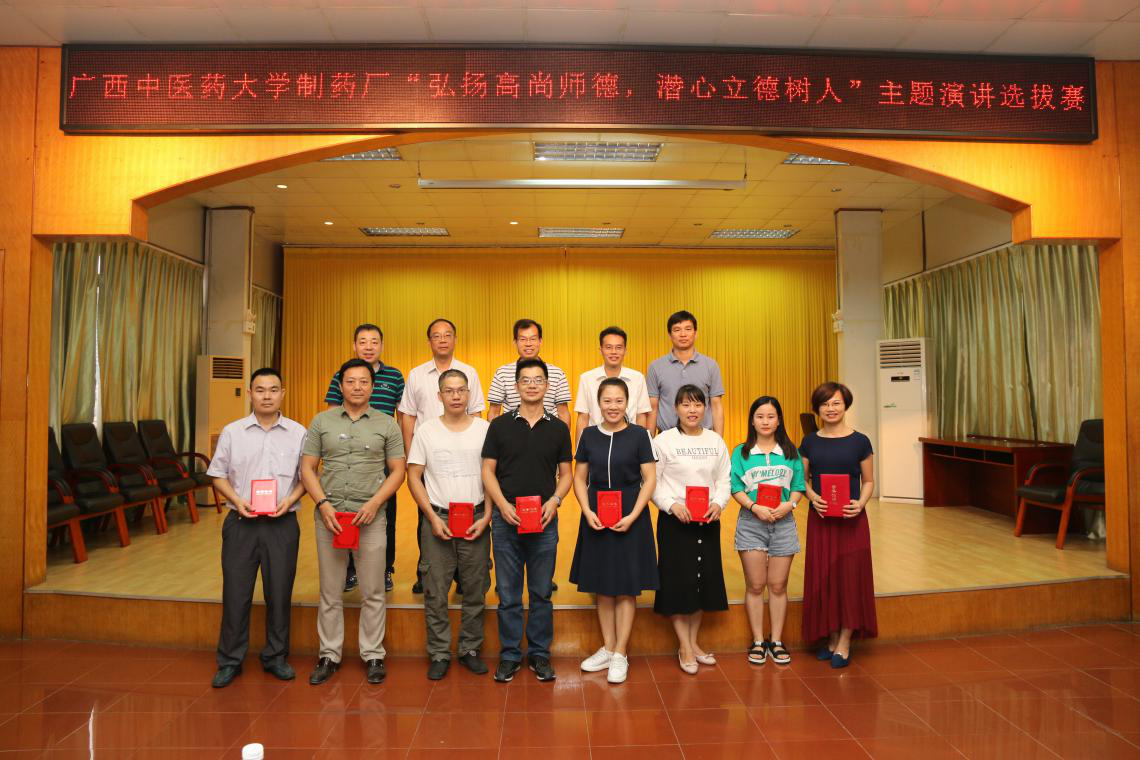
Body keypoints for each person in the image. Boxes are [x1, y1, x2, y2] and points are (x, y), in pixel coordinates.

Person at [301, 359, 406, 686]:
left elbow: (398, 470)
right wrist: (323, 504)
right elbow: (307, 468)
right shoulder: (321, 421)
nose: (357, 387)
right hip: (330, 517)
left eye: (363, 381)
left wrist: (375, 503)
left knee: (373, 590)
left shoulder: (387, 424)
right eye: (350, 381)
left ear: (373, 387)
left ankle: (373, 654)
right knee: (330, 590)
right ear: (340, 386)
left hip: (370, 518)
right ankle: (328, 655)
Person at [207, 368, 308, 689]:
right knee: (236, 594)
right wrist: (237, 500)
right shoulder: (232, 432)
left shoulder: (299, 433)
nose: (267, 396)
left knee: (279, 592)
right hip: (241, 523)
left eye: (273, 389)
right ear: (250, 393)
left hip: (282, 524)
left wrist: (290, 499)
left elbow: (307, 477)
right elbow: (217, 474)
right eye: (260, 390)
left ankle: (275, 656)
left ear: (283, 393)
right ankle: (230, 660)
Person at [481, 358, 572, 683]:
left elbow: (566, 474)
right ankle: (509, 656)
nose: (532, 385)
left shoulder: (559, 428)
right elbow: (487, 471)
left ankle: (539, 654)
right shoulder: (499, 426)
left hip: (544, 522)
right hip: (506, 520)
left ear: (547, 386)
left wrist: (555, 501)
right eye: (526, 380)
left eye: (538, 380)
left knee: (541, 593)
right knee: (508, 594)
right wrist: (502, 505)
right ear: (516, 386)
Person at [406, 369, 492, 680]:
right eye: (449, 391)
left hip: (476, 518)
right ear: (439, 395)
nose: (456, 396)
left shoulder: (485, 429)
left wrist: (487, 516)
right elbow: (413, 476)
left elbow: (492, 476)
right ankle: (439, 652)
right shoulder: (426, 431)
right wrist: (430, 516)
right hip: (438, 519)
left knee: (475, 588)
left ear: (469, 394)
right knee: (435, 591)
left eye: (461, 390)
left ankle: (470, 649)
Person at [570, 377, 657, 684]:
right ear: (598, 403)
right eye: (607, 401)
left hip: (631, 513)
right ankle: (607, 648)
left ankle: (621, 652)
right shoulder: (588, 435)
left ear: (627, 403)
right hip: (596, 513)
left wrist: (633, 515)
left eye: (619, 400)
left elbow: (650, 479)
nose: (613, 406)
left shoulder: (639, 435)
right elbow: (579, 477)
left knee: (626, 585)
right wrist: (586, 510)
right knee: (603, 584)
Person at [398, 317, 486, 595]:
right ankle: (426, 572)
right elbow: (408, 416)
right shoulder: (416, 375)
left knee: (468, 510)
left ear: (455, 339)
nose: (443, 340)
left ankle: (463, 575)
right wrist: (412, 455)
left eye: (447, 335)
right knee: (429, 515)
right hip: (429, 455)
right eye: (437, 336)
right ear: (430, 342)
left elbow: (476, 413)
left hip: (465, 454)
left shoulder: (469, 372)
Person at [651, 385, 731, 675]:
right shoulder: (663, 441)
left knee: (701, 582)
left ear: (705, 408)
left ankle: (693, 642)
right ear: (676, 409)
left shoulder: (715, 441)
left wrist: (719, 503)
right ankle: (684, 646)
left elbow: (724, 479)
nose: (692, 410)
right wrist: (671, 505)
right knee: (677, 582)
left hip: (707, 521)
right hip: (675, 521)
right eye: (686, 405)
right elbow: (652, 482)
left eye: (698, 404)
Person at [799, 381, 877, 669]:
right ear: (817, 409)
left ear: (846, 405)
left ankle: (845, 639)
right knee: (825, 575)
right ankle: (831, 637)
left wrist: (861, 503)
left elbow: (868, 481)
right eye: (824, 404)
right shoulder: (809, 442)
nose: (830, 409)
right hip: (821, 519)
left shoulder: (860, 441)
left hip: (851, 519)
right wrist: (813, 497)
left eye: (836, 403)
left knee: (850, 576)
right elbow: (801, 481)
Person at [324, 323, 405, 593]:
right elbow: (332, 416)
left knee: (385, 514)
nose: (369, 347)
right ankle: (349, 569)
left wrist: (401, 450)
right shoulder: (342, 374)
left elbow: (402, 415)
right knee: (346, 512)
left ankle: (385, 568)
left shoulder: (394, 376)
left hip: (383, 455)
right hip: (349, 455)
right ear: (354, 345)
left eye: (374, 342)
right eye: (362, 341)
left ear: (382, 345)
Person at [730, 396, 805, 666]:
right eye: (760, 416)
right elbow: (735, 487)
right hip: (752, 523)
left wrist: (789, 505)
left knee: (778, 585)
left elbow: (798, 486)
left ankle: (777, 641)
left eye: (771, 416)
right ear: (752, 420)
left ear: (779, 420)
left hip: (783, 523)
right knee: (755, 585)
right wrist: (754, 507)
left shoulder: (790, 452)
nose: (765, 421)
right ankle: (758, 641)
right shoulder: (741, 452)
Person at [646, 310, 725, 436]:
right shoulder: (656, 366)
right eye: (677, 330)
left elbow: (716, 406)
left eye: (688, 329)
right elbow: (652, 408)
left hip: (703, 437)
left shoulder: (711, 365)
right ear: (669, 335)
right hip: (667, 438)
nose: (683, 334)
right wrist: (649, 442)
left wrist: (718, 440)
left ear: (695, 333)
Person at [574, 326, 651, 443]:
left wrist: (639, 444)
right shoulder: (587, 378)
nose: (613, 352)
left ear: (625, 350)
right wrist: (579, 450)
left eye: (618, 347)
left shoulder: (638, 378)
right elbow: (583, 417)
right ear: (601, 350)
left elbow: (641, 415)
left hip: (629, 441)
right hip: (596, 441)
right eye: (608, 347)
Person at [487, 318, 572, 424]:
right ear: (515, 342)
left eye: (533, 339)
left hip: (548, 432)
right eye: (523, 339)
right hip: (511, 432)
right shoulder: (502, 373)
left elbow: (563, 413)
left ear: (540, 341)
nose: (528, 344)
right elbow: (494, 412)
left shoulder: (557, 373)